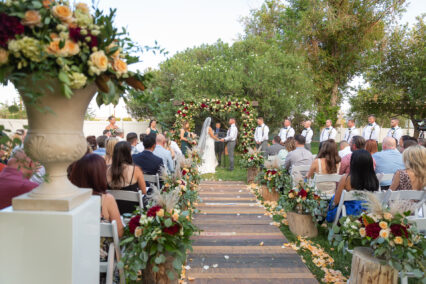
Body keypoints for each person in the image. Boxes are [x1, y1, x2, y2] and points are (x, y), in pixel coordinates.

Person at [68, 153, 124, 264]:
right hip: (101, 263)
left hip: (73, 259)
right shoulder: (106, 199)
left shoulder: (68, 199)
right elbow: (120, 233)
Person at [326, 149, 379, 222]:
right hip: (368, 214)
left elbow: (336, 201)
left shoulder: (346, 179)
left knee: (333, 200)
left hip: (348, 215)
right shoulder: (374, 179)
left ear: (353, 162)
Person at [106, 141, 147, 213]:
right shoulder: (136, 170)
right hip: (132, 211)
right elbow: (144, 192)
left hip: (113, 210)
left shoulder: (106, 170)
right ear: (128, 153)